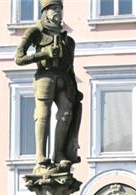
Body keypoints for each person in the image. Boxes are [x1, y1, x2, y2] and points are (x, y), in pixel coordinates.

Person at [13, 0, 82, 167]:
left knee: (67, 113)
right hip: (44, 77)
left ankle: (59, 153)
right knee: (43, 115)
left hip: (63, 79)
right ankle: (40, 155)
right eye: (53, 8)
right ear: (45, 11)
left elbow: (71, 67)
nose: (58, 11)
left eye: (60, 8)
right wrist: (44, 53)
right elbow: (19, 58)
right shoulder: (35, 32)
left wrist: (75, 87)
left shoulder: (68, 40)